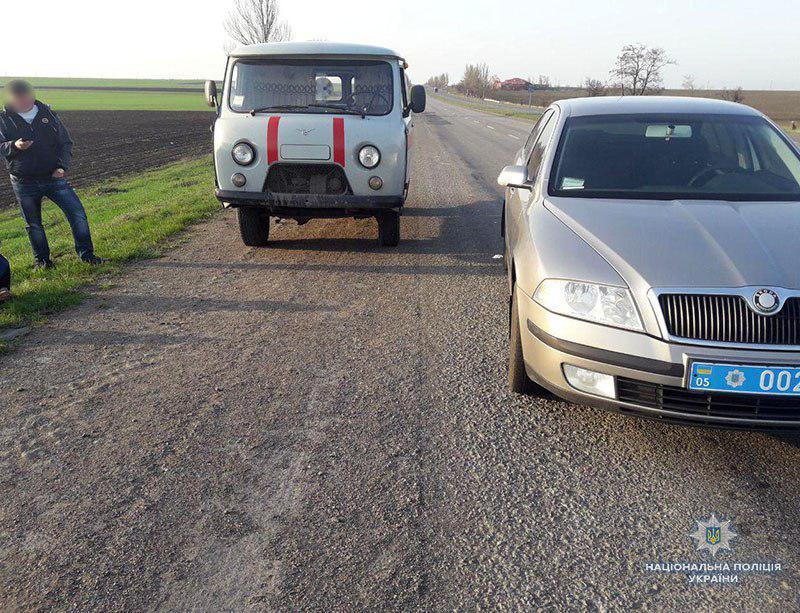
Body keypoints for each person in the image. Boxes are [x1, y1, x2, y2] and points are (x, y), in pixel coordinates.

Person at [0, 80, 105, 269]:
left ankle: (87, 255)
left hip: (53, 177)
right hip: (24, 181)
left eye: (28, 97)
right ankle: (43, 262)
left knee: (77, 214)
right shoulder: (3, 119)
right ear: (12, 99)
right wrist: (14, 146)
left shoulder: (48, 114)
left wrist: (62, 166)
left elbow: (65, 143)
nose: (26, 101)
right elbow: (1, 146)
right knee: (33, 224)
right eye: (20, 99)